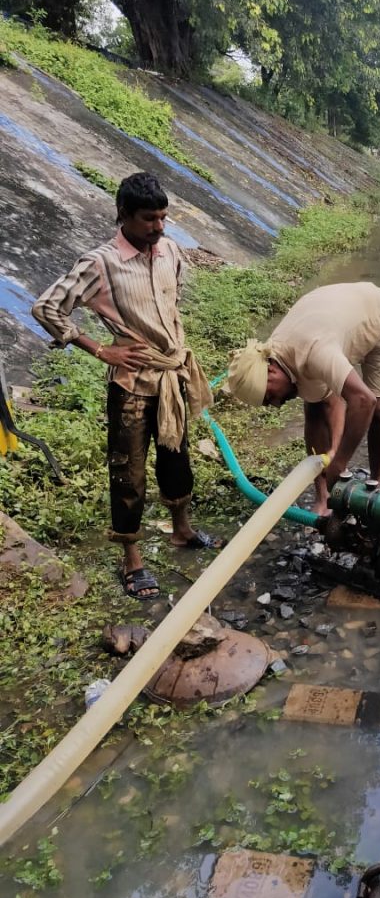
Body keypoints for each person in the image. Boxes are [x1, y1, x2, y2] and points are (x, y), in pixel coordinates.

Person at [32, 173, 219, 601]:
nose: (159, 227)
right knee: (128, 471)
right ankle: (132, 559)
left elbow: (173, 303)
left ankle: (181, 530)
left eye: (163, 217)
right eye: (149, 219)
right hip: (131, 386)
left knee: (176, 458)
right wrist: (100, 349)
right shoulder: (101, 263)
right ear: (124, 216)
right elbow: (47, 307)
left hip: (169, 378)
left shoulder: (170, 251)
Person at [227, 282, 380, 515]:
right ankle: (323, 498)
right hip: (329, 315)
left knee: (378, 409)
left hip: (375, 313)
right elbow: (327, 403)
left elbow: (362, 401)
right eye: (269, 403)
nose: (276, 404)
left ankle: (375, 485)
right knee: (315, 408)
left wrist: (339, 460)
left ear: (271, 371)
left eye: (270, 397)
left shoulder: (315, 351)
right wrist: (333, 460)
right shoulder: (279, 354)